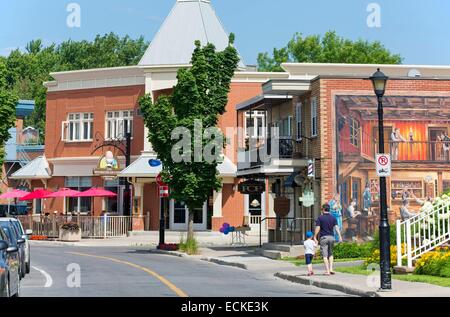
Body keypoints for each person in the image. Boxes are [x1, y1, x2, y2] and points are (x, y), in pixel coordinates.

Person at [314, 204, 343, 276]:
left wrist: (315, 236)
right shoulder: (333, 218)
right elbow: (336, 227)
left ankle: (327, 271)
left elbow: (318, 228)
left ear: (323, 209)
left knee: (324, 255)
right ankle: (331, 269)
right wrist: (340, 236)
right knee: (330, 253)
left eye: (321, 209)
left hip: (324, 238)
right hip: (332, 237)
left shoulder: (320, 218)